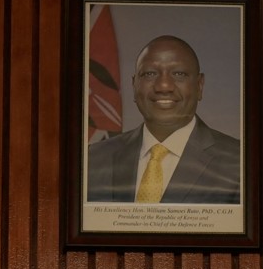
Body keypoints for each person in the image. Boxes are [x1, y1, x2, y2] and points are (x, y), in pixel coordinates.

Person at [84, 36, 242, 204]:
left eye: (179, 74)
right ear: (134, 85)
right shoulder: (93, 159)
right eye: (150, 74)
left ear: (199, 86)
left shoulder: (239, 162)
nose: (163, 86)